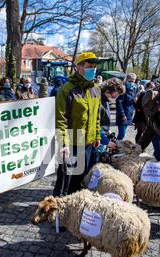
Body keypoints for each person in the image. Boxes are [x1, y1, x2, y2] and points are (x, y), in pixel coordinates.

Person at [53, 51, 102, 196]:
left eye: (94, 66)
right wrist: (63, 143)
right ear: (79, 67)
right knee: (66, 181)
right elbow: (61, 119)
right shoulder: (67, 89)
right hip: (72, 143)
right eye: (89, 66)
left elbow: (97, 116)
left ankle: (74, 209)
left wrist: (97, 136)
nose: (92, 69)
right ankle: (58, 207)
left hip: (89, 144)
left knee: (82, 179)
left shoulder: (96, 89)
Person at [100, 78, 125, 145]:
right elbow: (94, 125)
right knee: (79, 155)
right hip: (81, 137)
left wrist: (108, 132)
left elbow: (103, 121)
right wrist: (106, 142)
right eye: (114, 96)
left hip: (100, 138)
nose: (116, 98)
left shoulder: (106, 101)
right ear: (108, 91)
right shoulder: (97, 101)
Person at [115, 73, 137, 140]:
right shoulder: (123, 89)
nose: (132, 83)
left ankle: (116, 147)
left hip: (129, 114)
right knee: (122, 134)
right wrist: (122, 114)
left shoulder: (134, 89)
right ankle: (115, 146)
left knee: (123, 134)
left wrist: (135, 101)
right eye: (130, 81)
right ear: (126, 80)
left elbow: (133, 103)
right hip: (122, 114)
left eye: (133, 81)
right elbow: (118, 102)